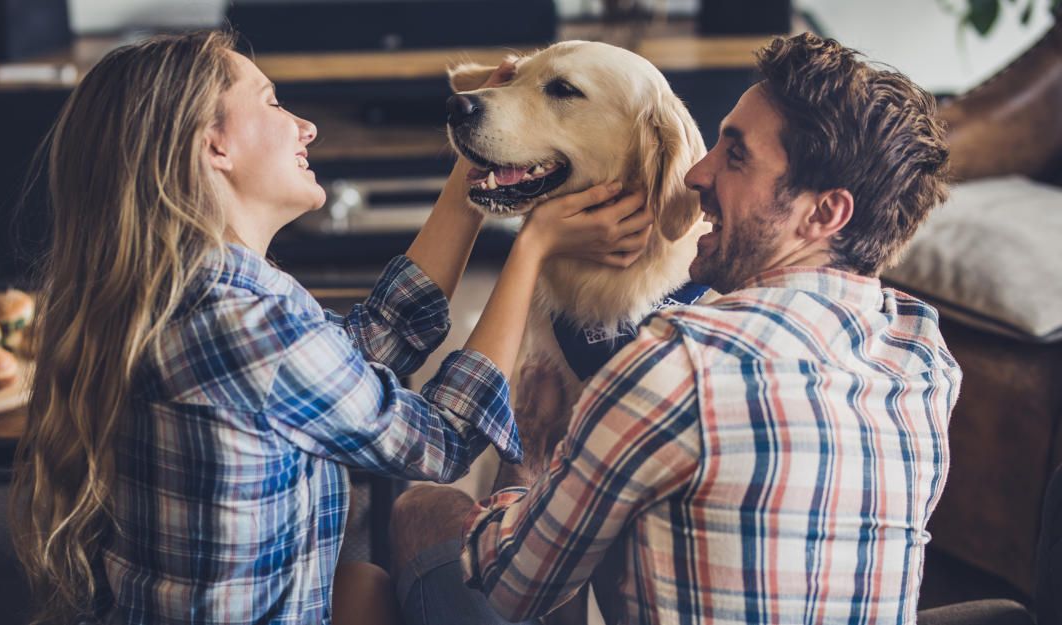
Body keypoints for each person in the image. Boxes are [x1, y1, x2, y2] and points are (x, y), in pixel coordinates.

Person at [8, 30, 651, 625]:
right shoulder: (243, 326)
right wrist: (531, 247)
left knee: (364, 586)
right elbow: (438, 441)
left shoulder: (193, 289)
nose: (307, 126)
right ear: (214, 144)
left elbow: (369, 343)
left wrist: (478, 169)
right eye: (273, 102)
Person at [391, 32, 959, 625]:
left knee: (420, 509)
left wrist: (530, 461)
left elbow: (513, 586)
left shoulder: (678, 362)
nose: (695, 173)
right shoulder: (924, 354)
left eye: (736, 156)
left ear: (824, 213)